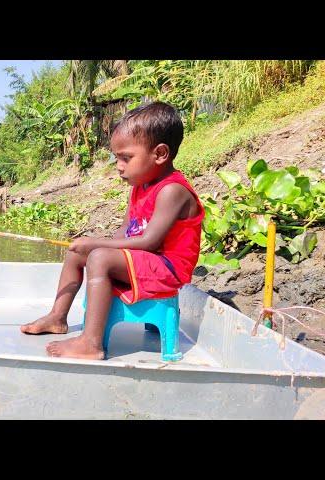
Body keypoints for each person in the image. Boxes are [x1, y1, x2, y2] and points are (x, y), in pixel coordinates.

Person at [20, 101, 205, 360]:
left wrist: (97, 246)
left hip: (167, 268)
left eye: (126, 158)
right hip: (145, 260)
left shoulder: (172, 191)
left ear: (160, 154)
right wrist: (91, 244)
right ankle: (57, 316)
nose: (118, 165)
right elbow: (125, 232)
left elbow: (150, 241)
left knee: (99, 257)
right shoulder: (141, 186)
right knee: (78, 254)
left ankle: (91, 343)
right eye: (116, 157)